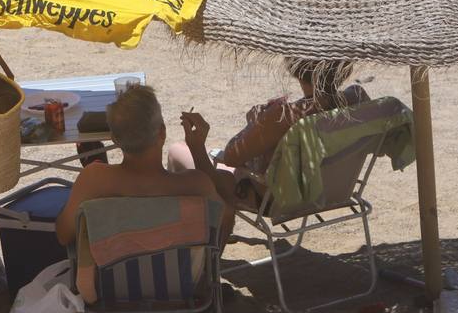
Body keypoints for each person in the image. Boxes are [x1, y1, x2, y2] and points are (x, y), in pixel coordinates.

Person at [166, 58, 368, 207]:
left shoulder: (282, 116)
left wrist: (256, 122)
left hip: (277, 199)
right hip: (333, 190)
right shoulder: (357, 98)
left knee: (177, 151)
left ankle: (211, 227)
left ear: (295, 68)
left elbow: (231, 156)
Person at [55, 84, 230, 246]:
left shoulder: (94, 180)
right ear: (162, 132)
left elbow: (64, 236)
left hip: (113, 279)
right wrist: (197, 148)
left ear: (115, 139)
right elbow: (225, 217)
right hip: (179, 278)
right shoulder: (196, 185)